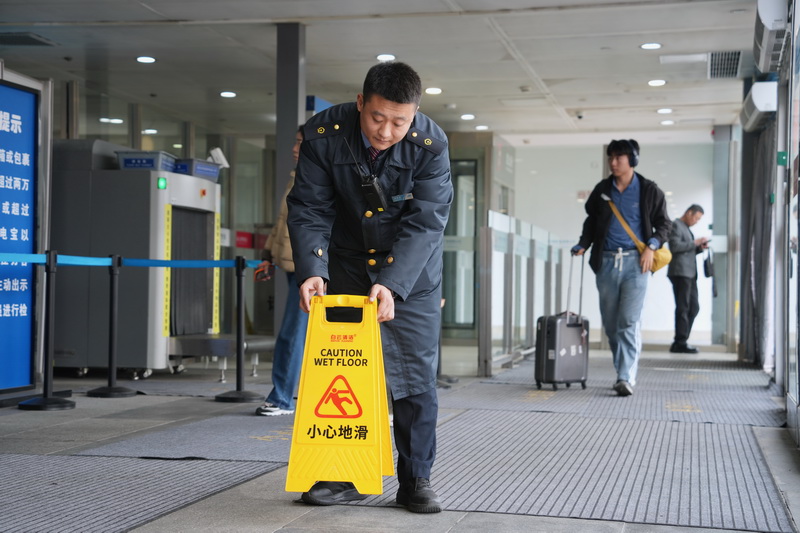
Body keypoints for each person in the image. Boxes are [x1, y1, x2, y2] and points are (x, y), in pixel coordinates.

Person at [286, 62, 452, 513]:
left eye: (400, 121)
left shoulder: (430, 145)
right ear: (361, 103)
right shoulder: (324, 134)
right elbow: (309, 208)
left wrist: (393, 285)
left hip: (411, 275)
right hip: (347, 265)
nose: (386, 130)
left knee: (415, 375)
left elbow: (426, 222)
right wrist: (313, 269)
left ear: (415, 114)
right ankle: (344, 474)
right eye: (378, 117)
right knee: (345, 367)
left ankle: (416, 478)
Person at [572, 139, 671, 397]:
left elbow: (664, 225)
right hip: (606, 262)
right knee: (611, 323)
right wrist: (584, 244)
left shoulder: (649, 190)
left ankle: (625, 376)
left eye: (619, 158)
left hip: (636, 264)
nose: (613, 163)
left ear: (633, 160)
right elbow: (591, 222)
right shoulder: (603, 190)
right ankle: (622, 369)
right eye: (611, 158)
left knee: (628, 321)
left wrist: (651, 245)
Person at [254, 126, 308, 416]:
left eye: (300, 143)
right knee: (295, 333)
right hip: (290, 264)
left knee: (292, 333)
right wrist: (267, 255)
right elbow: (281, 223)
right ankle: (286, 396)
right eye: (295, 142)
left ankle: (282, 398)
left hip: (307, 269)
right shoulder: (296, 177)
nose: (294, 148)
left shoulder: (318, 178)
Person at [667, 204, 708, 354]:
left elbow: (686, 250)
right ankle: (680, 342)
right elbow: (675, 247)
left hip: (689, 274)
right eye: (696, 218)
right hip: (680, 273)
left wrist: (698, 248)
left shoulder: (685, 228)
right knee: (683, 307)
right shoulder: (676, 225)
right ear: (689, 212)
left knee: (694, 307)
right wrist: (694, 243)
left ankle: (681, 339)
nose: (696, 221)